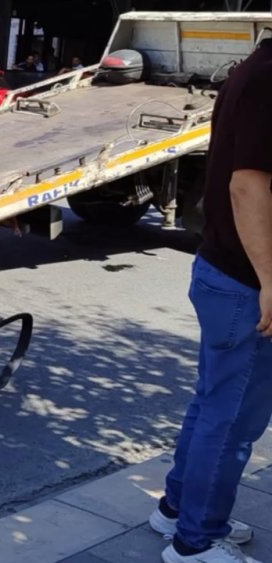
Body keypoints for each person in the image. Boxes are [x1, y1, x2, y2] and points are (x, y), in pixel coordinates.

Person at [147, 35, 272, 563]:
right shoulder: (269, 81)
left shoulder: (256, 68)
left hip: (228, 275)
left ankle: (178, 509)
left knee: (212, 407)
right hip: (247, 284)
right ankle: (195, 543)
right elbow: (248, 185)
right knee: (233, 424)